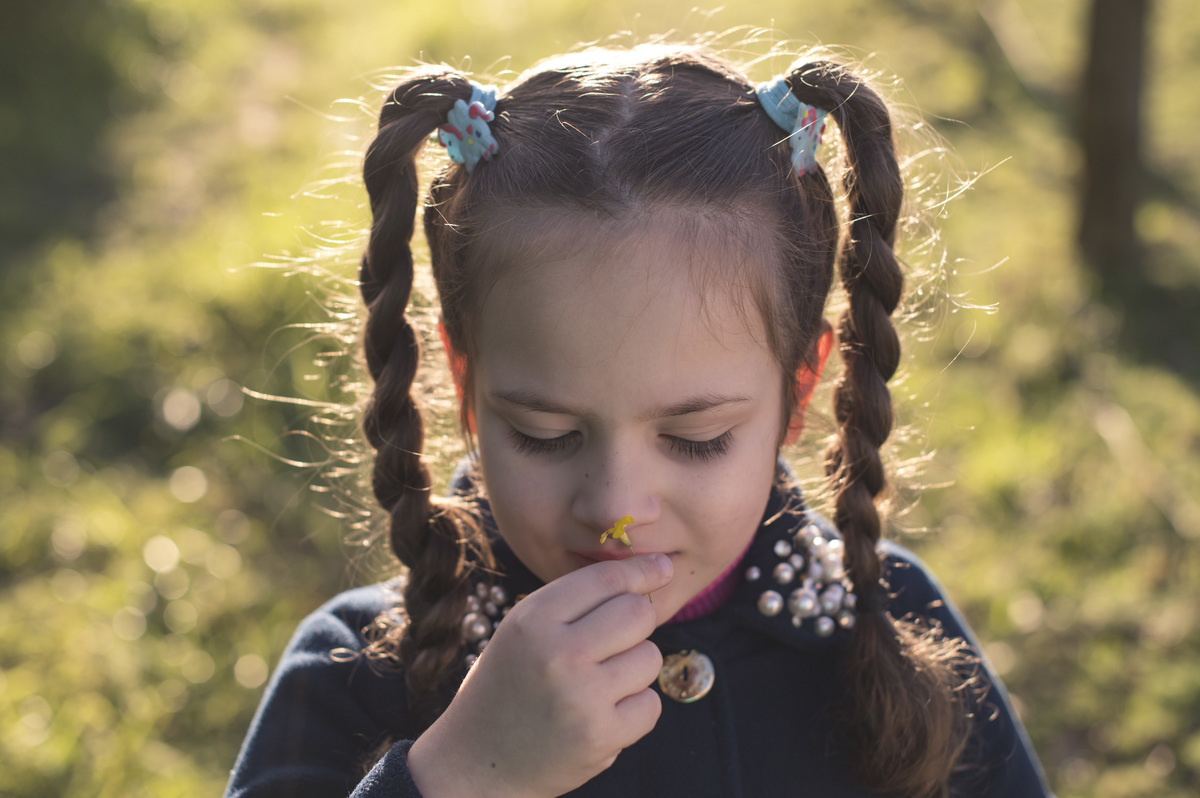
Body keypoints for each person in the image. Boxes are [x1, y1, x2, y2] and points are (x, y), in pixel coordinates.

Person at [224, 44, 1054, 798]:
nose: (616, 509)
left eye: (696, 439)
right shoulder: (356, 666)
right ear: (465, 382)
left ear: (800, 390)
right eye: (547, 434)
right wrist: (459, 777)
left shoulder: (892, 618)